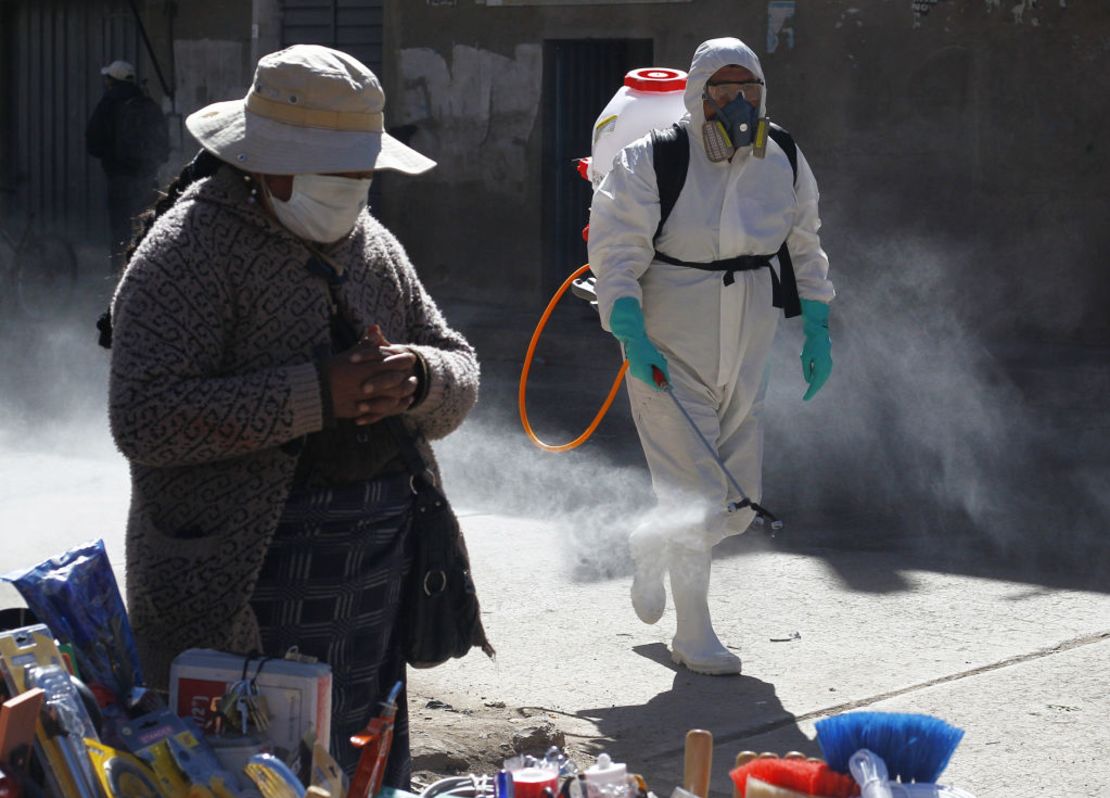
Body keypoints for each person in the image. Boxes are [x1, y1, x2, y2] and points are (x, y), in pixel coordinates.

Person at [107, 45, 480, 782]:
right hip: (240, 581)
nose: (353, 191)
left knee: (355, 760)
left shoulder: (375, 249)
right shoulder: (187, 253)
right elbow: (143, 416)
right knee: (250, 772)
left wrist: (418, 378)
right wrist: (319, 394)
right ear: (267, 166)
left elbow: (460, 364)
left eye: (360, 175)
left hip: (368, 578)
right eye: (335, 175)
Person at [588, 37, 835, 675]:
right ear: (698, 97)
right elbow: (616, 248)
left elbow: (805, 242)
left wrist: (817, 324)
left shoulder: (781, 157)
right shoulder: (654, 158)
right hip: (671, 337)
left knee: (735, 505)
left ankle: (651, 541)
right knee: (692, 495)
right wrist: (628, 329)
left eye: (747, 91)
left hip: (749, 337)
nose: (737, 105)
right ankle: (693, 634)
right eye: (722, 93)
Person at [85, 59, 169, 271]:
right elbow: (164, 147)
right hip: (148, 179)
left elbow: (93, 143)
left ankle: (119, 278)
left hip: (120, 179)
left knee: (121, 233)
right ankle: (148, 274)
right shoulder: (146, 102)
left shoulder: (108, 104)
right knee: (147, 229)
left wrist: (112, 155)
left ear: (112, 81)